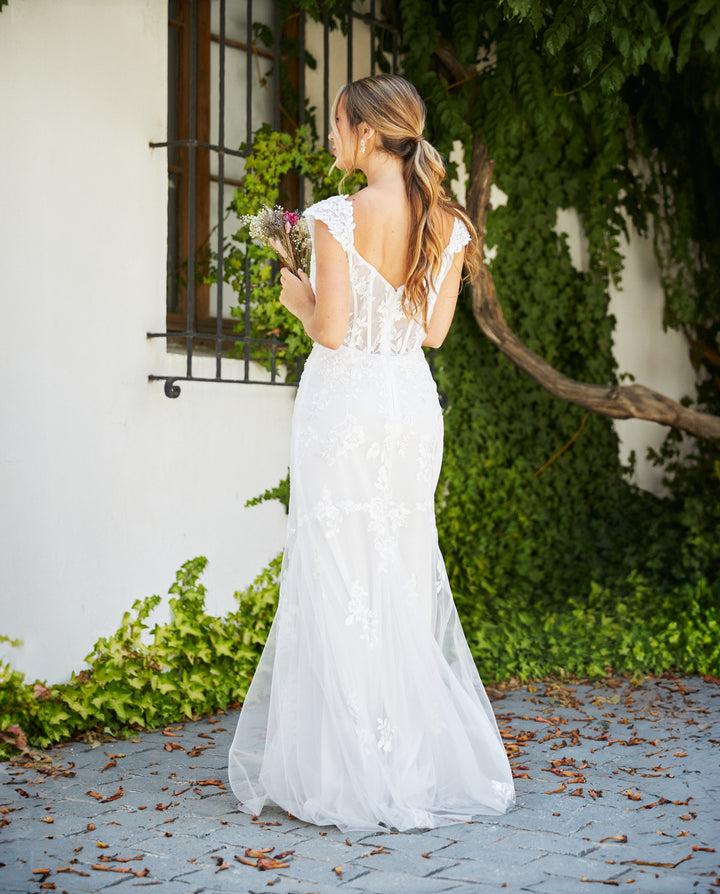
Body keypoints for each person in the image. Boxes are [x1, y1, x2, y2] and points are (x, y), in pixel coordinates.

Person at [228, 74, 515, 833]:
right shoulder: (449, 222)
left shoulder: (335, 215)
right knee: (396, 568)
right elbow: (433, 334)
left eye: (336, 125)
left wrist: (296, 298)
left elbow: (329, 330)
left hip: (345, 404)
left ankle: (347, 764)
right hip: (409, 408)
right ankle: (403, 759)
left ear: (365, 133)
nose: (330, 137)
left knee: (338, 567)